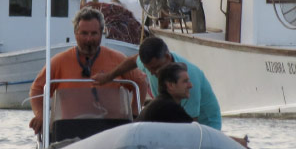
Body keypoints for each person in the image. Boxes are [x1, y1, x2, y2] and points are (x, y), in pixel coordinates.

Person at [29, 6, 148, 137]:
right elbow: (37, 89)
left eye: (94, 34)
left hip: (111, 129)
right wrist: (41, 115)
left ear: (101, 33)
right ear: (75, 33)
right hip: (69, 130)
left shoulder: (117, 59)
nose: (89, 39)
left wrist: (135, 114)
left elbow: (141, 81)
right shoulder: (59, 61)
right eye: (84, 33)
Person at [93, 35, 222, 130]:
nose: (153, 73)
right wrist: (109, 76)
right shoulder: (151, 66)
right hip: (170, 114)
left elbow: (192, 126)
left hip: (206, 123)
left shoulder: (188, 82)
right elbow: (133, 60)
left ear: (167, 56)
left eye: (155, 68)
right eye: (148, 69)